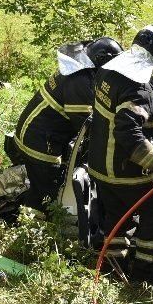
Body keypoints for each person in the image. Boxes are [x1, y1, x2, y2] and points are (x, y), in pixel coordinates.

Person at [88, 24, 153, 289]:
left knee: (117, 216)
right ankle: (146, 270)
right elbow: (128, 134)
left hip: (100, 167)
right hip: (124, 170)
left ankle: (113, 266)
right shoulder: (138, 89)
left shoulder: (111, 71)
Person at [10, 38, 123, 213]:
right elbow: (86, 124)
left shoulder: (79, 69)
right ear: (102, 60)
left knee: (40, 187)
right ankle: (38, 228)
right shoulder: (80, 80)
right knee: (46, 192)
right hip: (40, 143)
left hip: (36, 133)